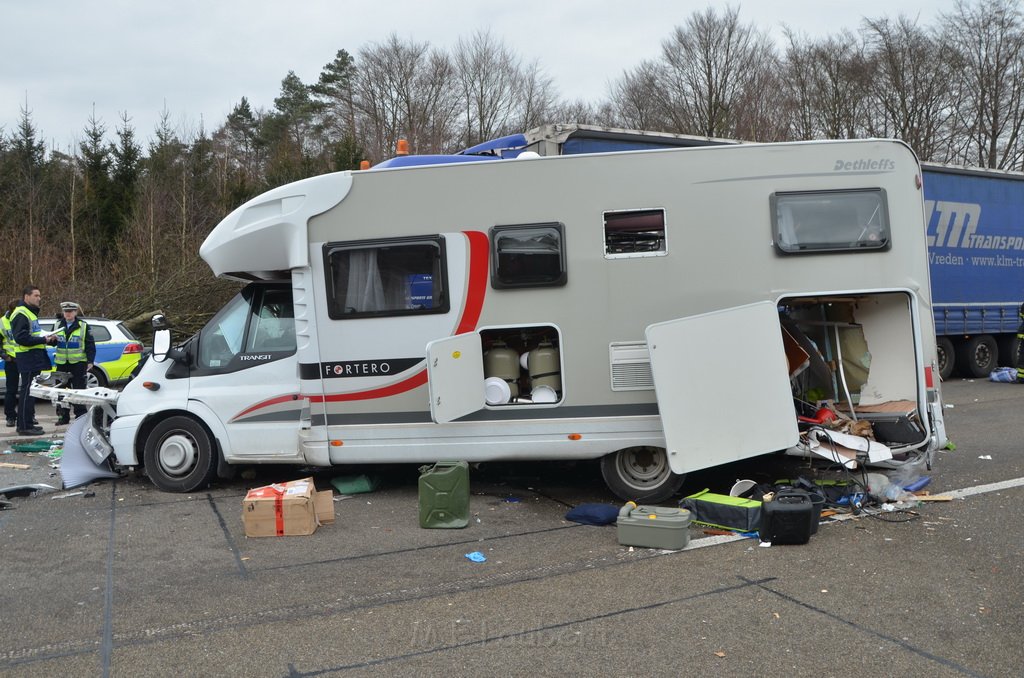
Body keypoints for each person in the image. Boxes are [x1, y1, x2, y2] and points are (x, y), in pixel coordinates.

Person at [9, 285, 57, 435]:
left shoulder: (29, 313)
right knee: (27, 392)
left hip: (33, 357)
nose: (39, 298)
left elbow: (33, 333)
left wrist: (47, 338)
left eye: (39, 295)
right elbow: (21, 338)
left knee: (31, 392)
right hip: (27, 357)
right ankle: (23, 427)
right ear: (26, 296)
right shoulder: (21, 313)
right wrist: (43, 339)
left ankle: (28, 423)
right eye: (36, 295)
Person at [52, 301, 96, 424]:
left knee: (78, 390)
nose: (68, 314)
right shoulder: (57, 325)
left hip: (78, 363)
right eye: (66, 311)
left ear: (75, 312)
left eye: (70, 311)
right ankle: (63, 417)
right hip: (62, 363)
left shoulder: (83, 326)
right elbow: (52, 342)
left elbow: (90, 344)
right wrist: (51, 341)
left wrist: (90, 361)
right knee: (61, 391)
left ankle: (80, 417)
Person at [2, 298, 21, 427]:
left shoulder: (24, 319)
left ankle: (28, 416)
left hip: (25, 358)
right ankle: (10, 417)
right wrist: (4, 355)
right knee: (11, 390)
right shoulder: (2, 322)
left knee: (29, 390)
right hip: (12, 360)